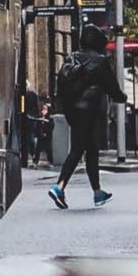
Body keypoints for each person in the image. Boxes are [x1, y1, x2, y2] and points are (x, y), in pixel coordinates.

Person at [47, 33, 120, 209]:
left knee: (91, 149)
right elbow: (112, 87)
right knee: (78, 149)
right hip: (87, 111)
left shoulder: (72, 57)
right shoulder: (100, 61)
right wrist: (121, 97)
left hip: (71, 109)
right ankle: (59, 187)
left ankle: (97, 192)